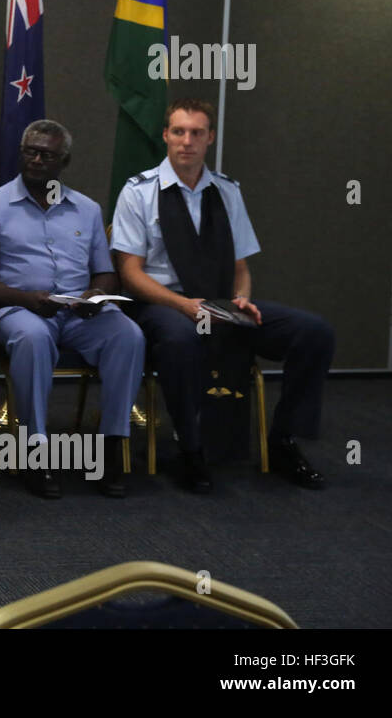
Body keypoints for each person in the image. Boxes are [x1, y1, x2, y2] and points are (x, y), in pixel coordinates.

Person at [111, 97, 332, 493]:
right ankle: (190, 450)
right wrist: (182, 306)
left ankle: (283, 440)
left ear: (210, 137)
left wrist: (242, 300)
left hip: (220, 303)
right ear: (165, 135)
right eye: (178, 131)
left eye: (197, 133)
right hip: (163, 303)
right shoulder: (138, 192)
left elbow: (240, 267)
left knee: (314, 333)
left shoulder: (227, 191)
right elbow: (129, 274)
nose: (187, 141)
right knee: (181, 339)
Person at [0, 120, 142, 498]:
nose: (37, 160)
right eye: (31, 151)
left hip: (77, 313)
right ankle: (33, 453)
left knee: (128, 334)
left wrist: (95, 295)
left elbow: (107, 273)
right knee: (33, 337)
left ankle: (110, 448)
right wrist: (28, 300)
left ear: (65, 160)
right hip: (16, 309)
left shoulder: (87, 210)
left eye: (47, 154)